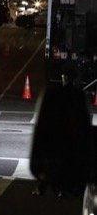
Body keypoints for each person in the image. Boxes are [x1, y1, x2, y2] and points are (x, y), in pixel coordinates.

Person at [30, 63, 93, 197]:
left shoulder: (56, 94)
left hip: (60, 135)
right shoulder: (78, 95)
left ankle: (47, 186)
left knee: (53, 162)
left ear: (65, 78)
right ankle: (56, 188)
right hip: (70, 136)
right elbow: (84, 120)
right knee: (62, 162)